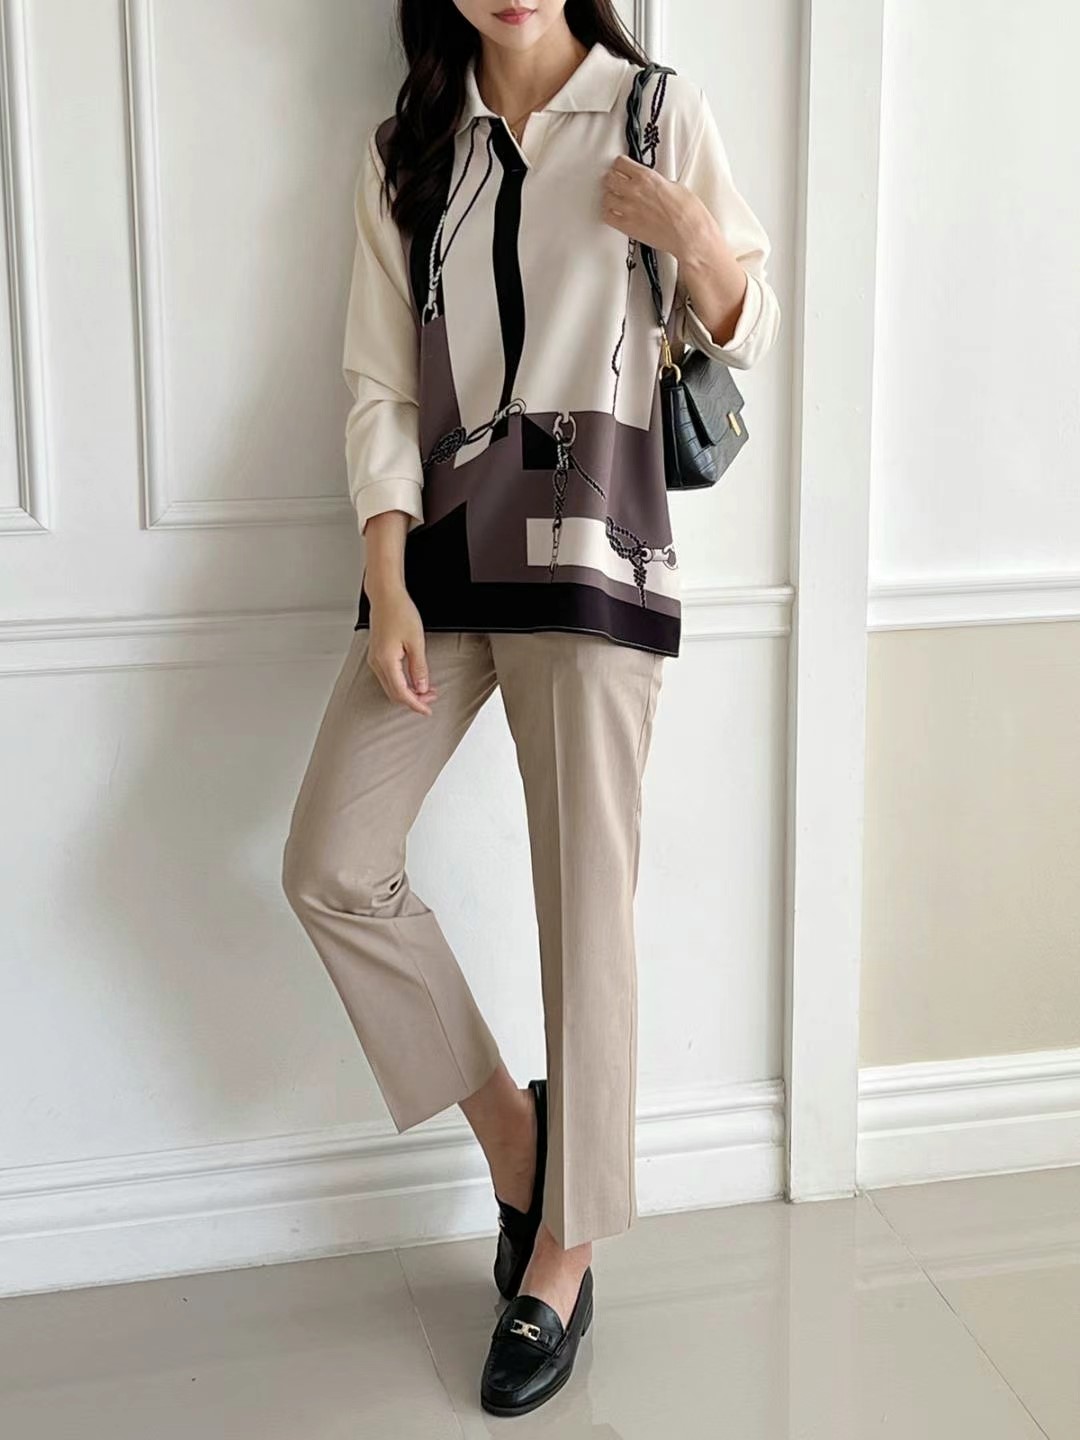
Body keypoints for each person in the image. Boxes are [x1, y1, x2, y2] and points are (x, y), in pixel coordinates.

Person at [283, 0, 780, 1417]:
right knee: (331, 862)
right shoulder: (408, 148)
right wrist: (386, 577)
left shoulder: (651, 110)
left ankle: (565, 1250)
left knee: (584, 908)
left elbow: (749, 324)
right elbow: (379, 382)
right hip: (444, 559)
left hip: (592, 551)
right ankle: (517, 1138)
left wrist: (690, 236)